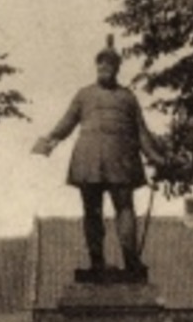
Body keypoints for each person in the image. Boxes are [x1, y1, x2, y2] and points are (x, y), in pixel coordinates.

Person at [33, 37, 162, 275]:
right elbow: (67, 122)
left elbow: (140, 131)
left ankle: (130, 262)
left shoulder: (128, 97)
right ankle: (97, 263)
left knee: (124, 208)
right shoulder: (84, 95)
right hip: (90, 158)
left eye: (109, 65)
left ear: (116, 68)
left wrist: (156, 157)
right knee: (93, 210)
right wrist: (50, 139)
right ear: (97, 67)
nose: (104, 68)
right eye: (101, 65)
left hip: (119, 157)